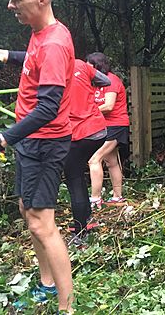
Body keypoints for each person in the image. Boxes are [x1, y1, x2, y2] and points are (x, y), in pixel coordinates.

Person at [0, 0, 75, 312]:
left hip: (43, 141)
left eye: (16, 0)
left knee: (42, 223)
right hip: (29, 139)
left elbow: (48, 108)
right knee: (29, 211)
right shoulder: (40, 33)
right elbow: (36, 62)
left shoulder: (54, 43)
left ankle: (67, 306)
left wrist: (2, 139)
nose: (10, 6)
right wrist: (5, 55)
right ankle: (46, 285)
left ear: (42, 0)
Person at [64, 59, 110, 247]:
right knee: (78, 174)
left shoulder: (53, 69)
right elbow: (105, 81)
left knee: (73, 178)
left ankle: (80, 232)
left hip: (79, 133)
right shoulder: (80, 65)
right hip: (98, 130)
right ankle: (86, 219)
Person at [86, 52, 130, 208]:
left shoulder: (111, 80)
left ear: (97, 65)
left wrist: (87, 111)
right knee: (111, 162)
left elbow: (109, 105)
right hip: (104, 126)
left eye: (88, 64)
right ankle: (117, 197)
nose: (86, 67)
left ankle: (95, 199)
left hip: (116, 126)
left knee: (94, 160)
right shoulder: (94, 82)